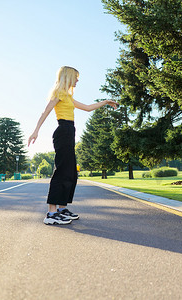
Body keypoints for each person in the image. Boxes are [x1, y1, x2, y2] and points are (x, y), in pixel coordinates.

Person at [28, 66, 118, 225]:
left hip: (69, 132)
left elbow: (88, 108)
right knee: (62, 171)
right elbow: (45, 111)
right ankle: (51, 213)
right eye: (75, 77)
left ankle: (62, 209)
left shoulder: (68, 97)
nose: (77, 80)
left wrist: (105, 102)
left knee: (71, 173)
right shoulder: (58, 93)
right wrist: (36, 131)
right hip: (63, 131)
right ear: (68, 77)